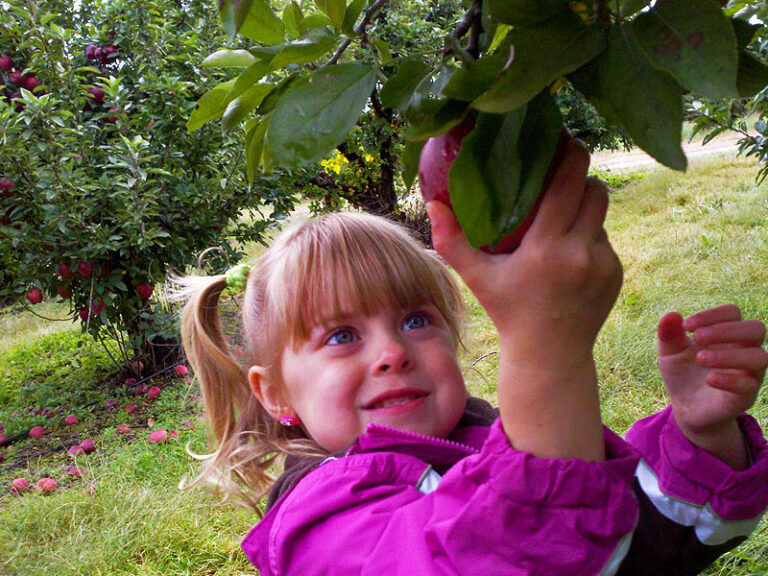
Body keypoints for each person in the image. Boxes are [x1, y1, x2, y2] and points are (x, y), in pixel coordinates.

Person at [179, 135, 768, 576]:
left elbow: (631, 541)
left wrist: (702, 436)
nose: (392, 353)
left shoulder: (493, 434)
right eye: (340, 336)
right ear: (274, 392)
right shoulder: (318, 522)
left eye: (415, 320)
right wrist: (546, 355)